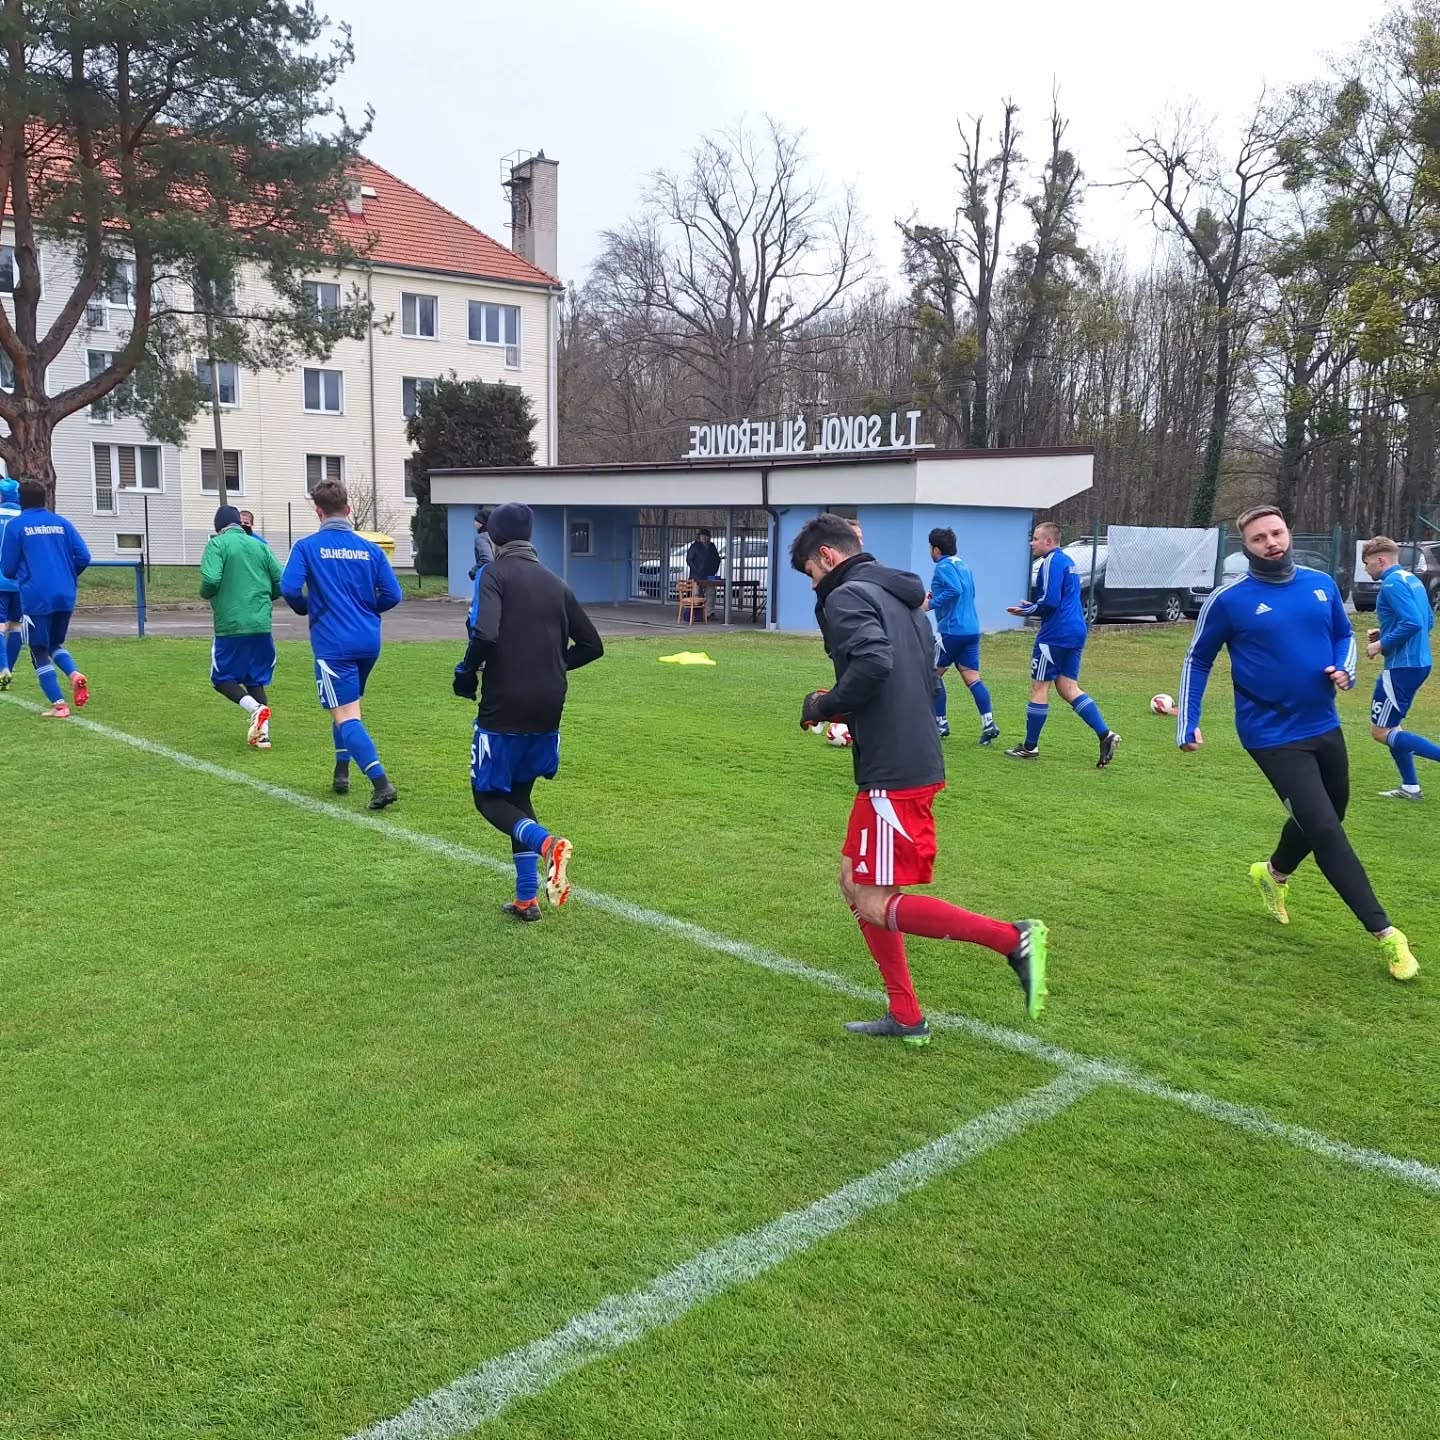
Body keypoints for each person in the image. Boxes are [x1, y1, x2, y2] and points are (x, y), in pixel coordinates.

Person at [791, 513, 1048, 1045]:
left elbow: (874, 665)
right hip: (907, 756)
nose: (813, 586)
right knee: (853, 881)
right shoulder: (901, 595)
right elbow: (919, 672)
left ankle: (1012, 938)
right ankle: (906, 1014)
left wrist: (826, 704)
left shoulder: (846, 597)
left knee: (872, 899)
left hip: (895, 769)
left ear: (828, 559)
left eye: (810, 574)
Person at [1178, 506, 1419, 981]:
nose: (1271, 542)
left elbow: (1341, 635)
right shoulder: (1230, 600)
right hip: (1270, 735)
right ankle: (1387, 934)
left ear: (1287, 533)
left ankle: (1273, 873)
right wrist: (1188, 721)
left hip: (1322, 723)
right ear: (1245, 548)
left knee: (1329, 816)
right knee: (1326, 829)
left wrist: (1344, 667)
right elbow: (1197, 660)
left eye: (1277, 532)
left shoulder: (1320, 583)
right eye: (1259, 538)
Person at [453, 502, 604, 921]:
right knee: (518, 794)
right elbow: (593, 646)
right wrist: (554, 665)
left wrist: (466, 673)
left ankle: (548, 845)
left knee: (487, 797)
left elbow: (484, 632)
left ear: (495, 538)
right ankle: (526, 899)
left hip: (506, 703)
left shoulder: (493, 573)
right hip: (549, 705)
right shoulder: (556, 583)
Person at [280, 478, 403, 808]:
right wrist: (364, 609)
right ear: (348, 509)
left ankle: (381, 784)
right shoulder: (371, 549)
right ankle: (341, 771)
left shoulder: (306, 547)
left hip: (334, 643)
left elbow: (289, 588)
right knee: (347, 707)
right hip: (368, 641)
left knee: (346, 714)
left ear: (318, 512)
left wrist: (307, 607)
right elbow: (394, 594)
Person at [1004, 522, 1120, 767]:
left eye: (1035, 539)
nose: (1032, 543)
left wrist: (1028, 610)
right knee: (1068, 687)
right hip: (1077, 629)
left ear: (1049, 541)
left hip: (1056, 633)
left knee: (1039, 686)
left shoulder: (1050, 562)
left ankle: (1030, 747)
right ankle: (1105, 735)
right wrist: (1034, 606)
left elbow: (1051, 601)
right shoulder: (1068, 562)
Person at [0, 479, 91, 717]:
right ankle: (74, 674)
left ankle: (59, 705)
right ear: (45, 498)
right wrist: (67, 575)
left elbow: (7, 568)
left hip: (36, 595)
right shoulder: (61, 522)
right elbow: (84, 556)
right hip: (66, 593)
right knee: (55, 644)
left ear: (22, 500)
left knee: (38, 650)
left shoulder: (17, 526)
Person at [1360, 535, 1440, 801]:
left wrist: (1381, 644)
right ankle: (1410, 788)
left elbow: (1413, 624)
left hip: (1401, 667)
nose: (1366, 568)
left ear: (1380, 560)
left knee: (1380, 732)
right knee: (1394, 728)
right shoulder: (1412, 580)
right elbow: (1428, 620)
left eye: (1367, 562)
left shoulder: (1391, 584)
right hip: (1419, 662)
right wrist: (1384, 631)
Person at [201, 504, 282, 748]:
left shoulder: (217, 545)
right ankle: (263, 735)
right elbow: (280, 580)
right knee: (254, 678)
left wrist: (207, 593)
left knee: (221, 678)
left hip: (232, 623)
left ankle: (255, 709)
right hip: (260, 623)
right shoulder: (260, 546)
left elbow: (211, 579)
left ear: (219, 528)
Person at [928, 526, 999, 745]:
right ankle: (989, 724)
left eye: (930, 548)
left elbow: (954, 590)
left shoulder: (943, 566)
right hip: (971, 629)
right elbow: (966, 592)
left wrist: (930, 604)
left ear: (936, 549)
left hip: (952, 630)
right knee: (972, 677)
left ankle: (940, 724)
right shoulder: (963, 564)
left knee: (931, 675)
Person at [0, 478, 22, 689]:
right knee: (15, 626)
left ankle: (2, 668)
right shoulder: (24, 518)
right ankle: (10, 671)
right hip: (19, 583)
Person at [686, 528, 722, 618]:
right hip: (696, 576)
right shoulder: (695, 546)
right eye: (703, 536)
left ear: (709, 537)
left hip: (709, 575)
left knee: (711, 592)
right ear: (700, 537)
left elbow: (717, 559)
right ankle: (694, 612)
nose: (705, 538)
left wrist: (714, 570)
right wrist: (696, 570)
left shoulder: (712, 546)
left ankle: (709, 612)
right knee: (696, 593)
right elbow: (689, 560)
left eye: (706, 536)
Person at [472, 509, 495, 577]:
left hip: (487, 576)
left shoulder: (481, 538)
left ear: (483, 523)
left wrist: (474, 570)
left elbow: (488, 559)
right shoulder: (497, 536)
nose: (475, 523)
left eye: (478, 521)